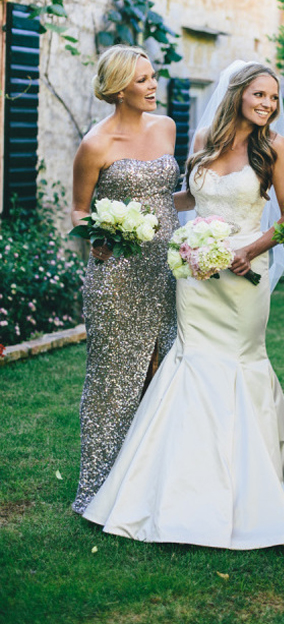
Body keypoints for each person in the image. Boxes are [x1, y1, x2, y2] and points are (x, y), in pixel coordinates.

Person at [82, 62, 284, 549]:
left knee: (241, 366)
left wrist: (250, 251)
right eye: (260, 95)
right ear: (238, 93)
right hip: (196, 274)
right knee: (190, 365)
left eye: (274, 98)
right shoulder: (205, 135)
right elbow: (190, 196)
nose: (268, 105)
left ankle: (254, 494)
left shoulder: (275, 148)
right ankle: (181, 494)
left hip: (245, 274)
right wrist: (132, 211)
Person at [71, 45, 180, 515]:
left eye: (154, 76)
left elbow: (171, 198)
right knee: (112, 381)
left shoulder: (168, 127)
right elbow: (77, 210)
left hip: (167, 271)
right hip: (115, 275)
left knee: (164, 371)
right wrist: (99, 232)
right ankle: (98, 486)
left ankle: (149, 486)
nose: (153, 85)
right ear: (118, 88)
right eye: (143, 80)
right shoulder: (96, 144)